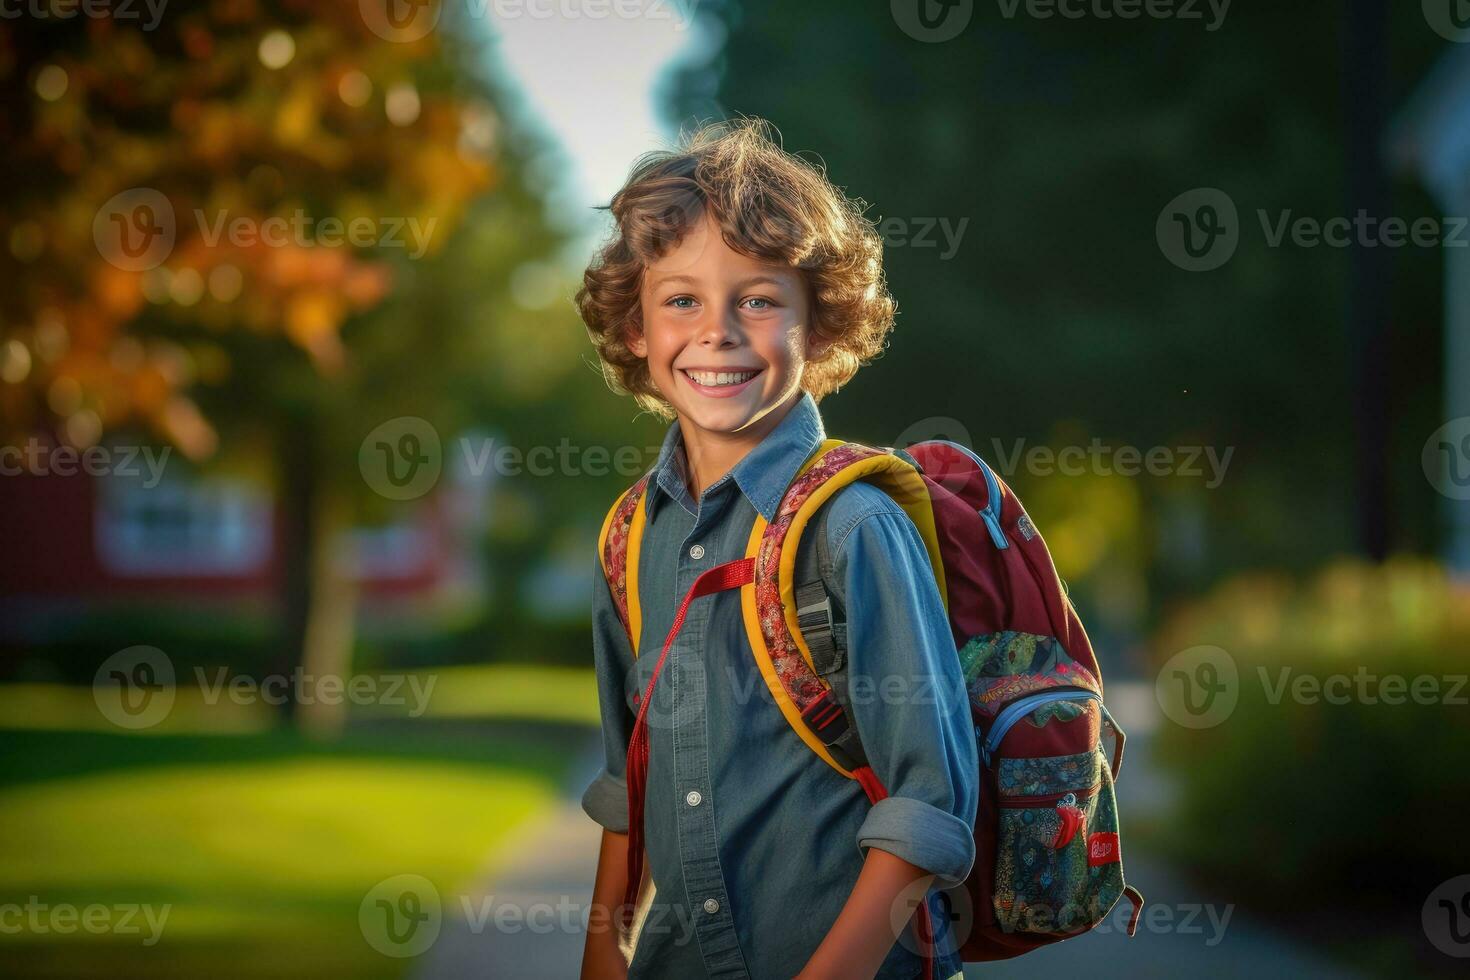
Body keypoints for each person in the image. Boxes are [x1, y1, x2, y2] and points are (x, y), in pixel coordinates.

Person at [575, 117, 977, 980]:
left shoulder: (855, 526)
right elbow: (628, 784)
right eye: (680, 299)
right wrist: (603, 954)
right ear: (637, 331)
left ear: (820, 329)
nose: (716, 331)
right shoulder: (627, 538)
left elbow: (929, 805)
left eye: (756, 299)